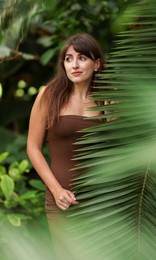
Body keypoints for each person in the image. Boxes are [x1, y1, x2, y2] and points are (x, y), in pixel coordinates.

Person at [26, 33, 105, 255]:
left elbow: (118, 148)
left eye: (82, 58)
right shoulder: (49, 95)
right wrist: (56, 190)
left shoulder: (107, 99)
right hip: (61, 199)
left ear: (96, 64)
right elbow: (33, 147)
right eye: (68, 59)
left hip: (101, 199)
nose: (74, 65)